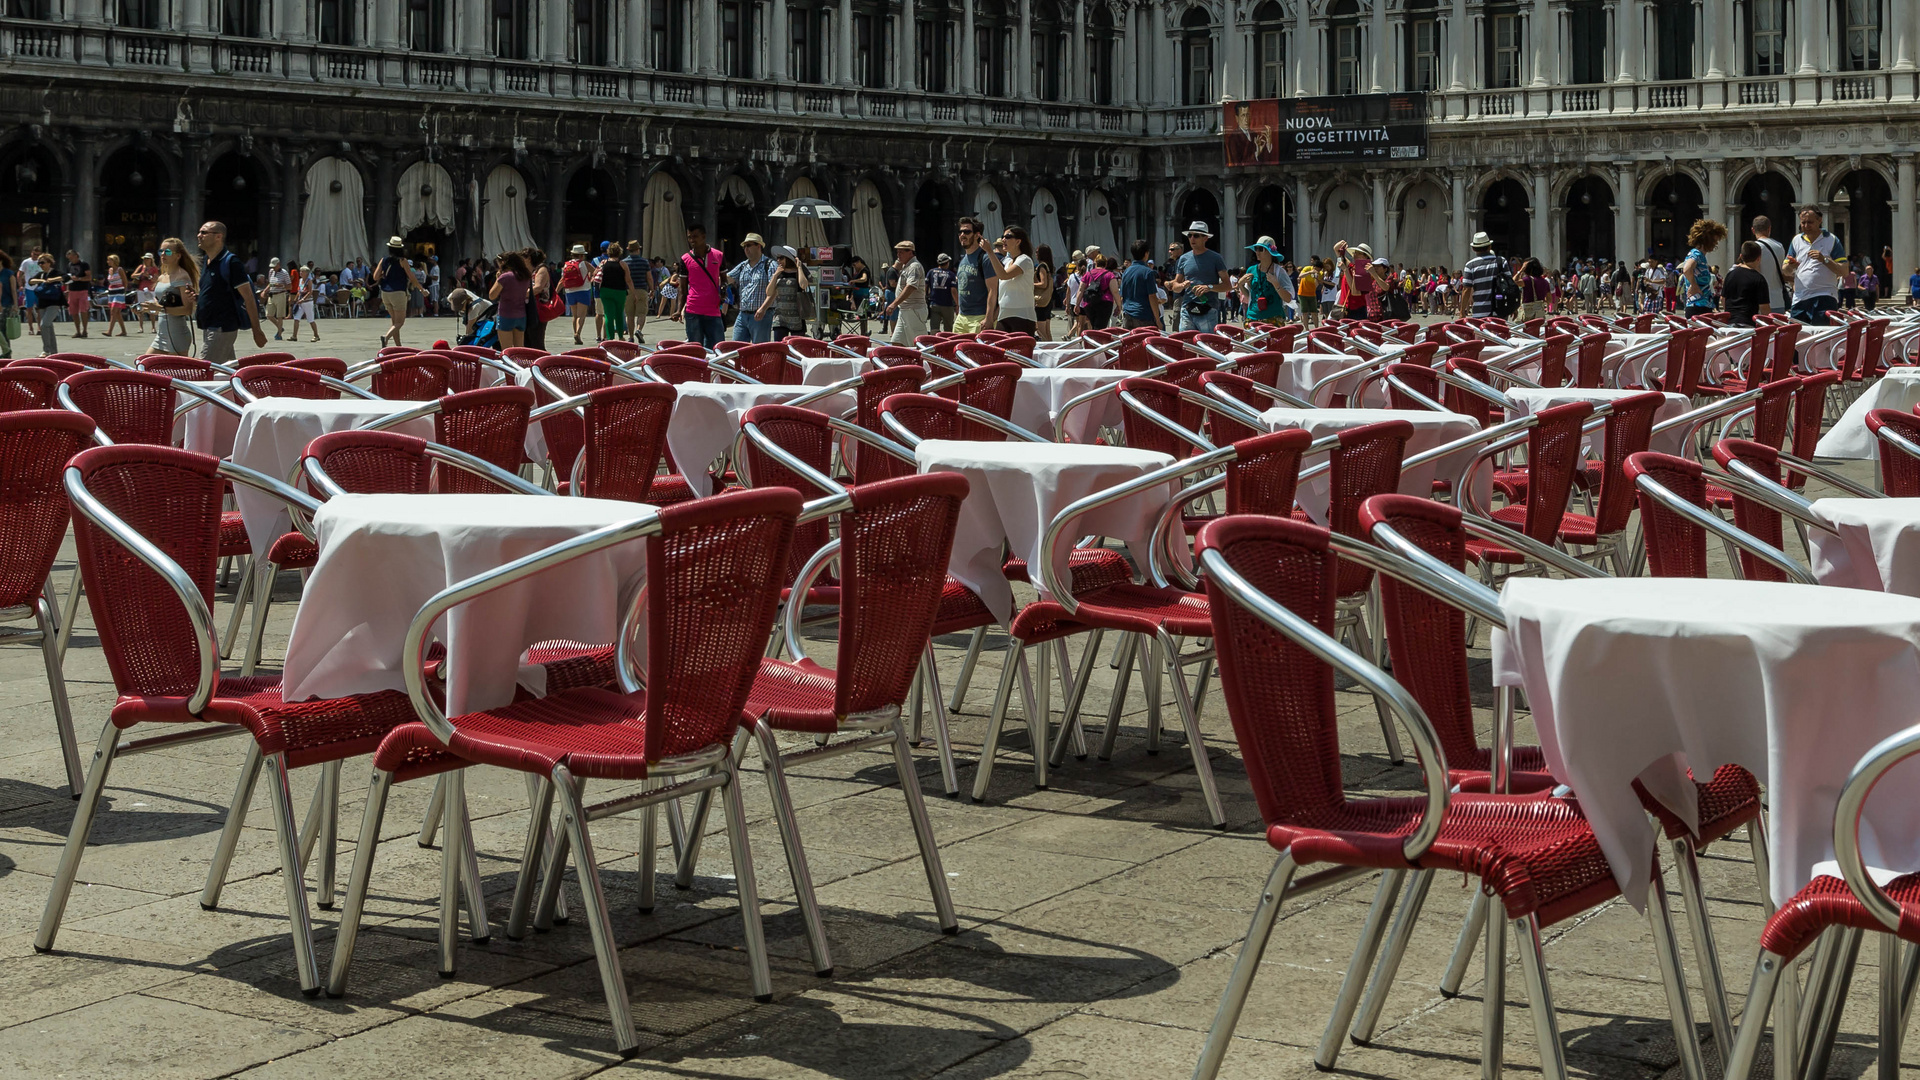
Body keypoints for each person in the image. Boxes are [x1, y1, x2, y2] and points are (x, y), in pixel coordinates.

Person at [193, 221, 265, 363]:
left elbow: (249, 298)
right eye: (200, 232)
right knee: (226, 371)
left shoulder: (231, 262)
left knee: (205, 370)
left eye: (204, 232)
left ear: (218, 236)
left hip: (221, 327)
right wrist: (198, 298)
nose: (199, 235)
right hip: (209, 326)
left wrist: (256, 330)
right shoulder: (207, 261)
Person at [1783, 206, 1845, 324]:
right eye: (1803, 223)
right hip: (1800, 299)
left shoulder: (1832, 240)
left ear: (1819, 220)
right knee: (1798, 337)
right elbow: (1785, 270)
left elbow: (1844, 271)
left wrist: (1824, 260)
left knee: (1822, 336)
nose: (1806, 226)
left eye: (1810, 222)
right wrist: (1791, 266)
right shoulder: (1796, 240)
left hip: (1825, 296)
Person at [1168, 221, 1229, 332]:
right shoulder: (1183, 259)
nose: (1192, 239)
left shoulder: (1216, 258)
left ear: (1205, 238)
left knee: (1207, 345)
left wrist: (1209, 287)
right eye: (1189, 235)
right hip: (1187, 308)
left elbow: (1227, 285)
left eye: (1196, 236)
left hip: (1209, 309)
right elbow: (1175, 285)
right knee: (1186, 345)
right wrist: (1181, 285)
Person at [675, 223, 728, 348]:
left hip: (713, 310)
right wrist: (678, 310)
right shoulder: (685, 259)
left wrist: (723, 291)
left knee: (718, 349)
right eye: (689, 237)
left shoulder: (718, 256)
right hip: (693, 310)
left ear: (703, 236)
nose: (692, 240)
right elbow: (682, 289)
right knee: (696, 349)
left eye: (695, 236)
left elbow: (724, 280)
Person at [986, 225, 1038, 334]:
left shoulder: (1025, 260)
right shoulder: (1007, 262)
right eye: (1003, 236)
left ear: (1018, 241)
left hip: (1022, 317)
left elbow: (1003, 275)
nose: (1003, 239)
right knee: (1001, 350)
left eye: (1008, 236)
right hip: (1004, 316)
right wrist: (993, 316)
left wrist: (990, 252)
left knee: (1020, 350)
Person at [726, 232, 778, 342]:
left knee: (759, 350)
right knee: (736, 348)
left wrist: (763, 309)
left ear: (758, 246)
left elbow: (774, 290)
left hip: (761, 315)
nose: (746, 249)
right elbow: (726, 279)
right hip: (742, 314)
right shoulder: (743, 265)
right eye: (744, 247)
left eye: (749, 245)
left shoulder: (769, 264)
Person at [374, 237, 423, 347]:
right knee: (400, 322)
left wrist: (384, 274)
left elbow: (375, 276)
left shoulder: (384, 260)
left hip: (385, 293)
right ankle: (386, 337)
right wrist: (422, 289)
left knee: (395, 322)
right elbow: (412, 277)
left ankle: (398, 346)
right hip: (398, 293)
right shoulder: (402, 261)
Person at [1236, 236, 1291, 325]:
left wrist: (1276, 284)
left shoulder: (1279, 271)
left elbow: (1288, 299)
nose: (1257, 252)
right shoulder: (1251, 270)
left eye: (1260, 249)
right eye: (1256, 249)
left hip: (1273, 318)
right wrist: (1240, 285)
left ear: (1269, 252)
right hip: (1252, 318)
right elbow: (1251, 296)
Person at [953, 217, 993, 334]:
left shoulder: (985, 259)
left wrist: (989, 318)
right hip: (962, 317)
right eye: (960, 232)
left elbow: (993, 290)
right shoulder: (963, 259)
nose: (962, 235)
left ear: (977, 235)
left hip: (979, 318)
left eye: (967, 232)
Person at [886, 240, 928, 345]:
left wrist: (894, 304)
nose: (898, 255)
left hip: (913, 310)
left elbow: (911, 286)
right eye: (897, 252)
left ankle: (923, 362)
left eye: (901, 252)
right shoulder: (907, 266)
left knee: (918, 344)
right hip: (904, 310)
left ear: (910, 252)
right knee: (897, 342)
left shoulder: (914, 266)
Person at [488, 248, 531, 349]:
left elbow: (492, 295)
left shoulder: (505, 277)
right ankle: (520, 365)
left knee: (507, 350)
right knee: (519, 349)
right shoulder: (525, 276)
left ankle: (509, 365)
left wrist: (497, 278)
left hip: (506, 314)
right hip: (521, 315)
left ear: (504, 263)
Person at [1721, 241, 1771, 326]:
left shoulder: (1730, 275)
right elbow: (1764, 307)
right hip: (1748, 324)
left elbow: (1723, 299)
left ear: (1741, 256)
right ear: (1759, 258)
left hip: (1730, 324)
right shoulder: (1759, 279)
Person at [770, 247, 813, 340]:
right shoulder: (778, 272)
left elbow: (803, 285)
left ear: (788, 258)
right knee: (779, 348)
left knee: (796, 349)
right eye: (777, 258)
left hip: (797, 317)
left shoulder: (800, 271)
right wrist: (775, 276)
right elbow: (769, 292)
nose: (778, 260)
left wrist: (799, 267)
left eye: (781, 258)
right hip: (780, 318)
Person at [1119, 239, 1162, 330]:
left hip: (1128, 315)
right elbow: (1152, 296)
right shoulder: (1148, 272)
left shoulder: (1126, 272)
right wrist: (1158, 320)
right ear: (1146, 254)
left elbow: (1122, 295)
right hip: (1144, 315)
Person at [1459, 231, 1504, 318]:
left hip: (1480, 311)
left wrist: (1462, 311)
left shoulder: (1470, 265)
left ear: (1473, 248)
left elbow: (1466, 290)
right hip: (1500, 309)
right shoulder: (1501, 261)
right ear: (1490, 246)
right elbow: (1510, 284)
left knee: (1482, 331)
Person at [598, 241, 633, 342]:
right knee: (619, 313)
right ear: (619, 252)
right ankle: (621, 336)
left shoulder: (603, 263)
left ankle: (610, 337)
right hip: (619, 292)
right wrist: (633, 293)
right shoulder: (623, 264)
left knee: (608, 314)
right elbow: (628, 280)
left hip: (605, 291)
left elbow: (595, 275)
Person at [1077, 247, 1118, 331]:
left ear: (1095, 263)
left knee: (1093, 325)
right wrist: (1119, 305)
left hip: (1089, 303)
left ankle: (1093, 341)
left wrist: (1077, 304)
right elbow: (1115, 291)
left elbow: (1081, 289)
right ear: (1105, 264)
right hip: (1105, 303)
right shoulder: (1110, 275)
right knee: (1101, 327)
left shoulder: (1088, 274)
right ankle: (1098, 342)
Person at [560, 243, 593, 343]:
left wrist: (556, 292)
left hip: (570, 291)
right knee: (581, 315)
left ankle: (575, 333)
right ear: (582, 255)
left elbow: (562, 279)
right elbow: (596, 271)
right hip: (583, 290)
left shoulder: (566, 265)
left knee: (574, 316)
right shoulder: (585, 263)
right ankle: (577, 333)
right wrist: (590, 278)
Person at [523, 247, 554, 351]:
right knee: (527, 342)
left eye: (523, 257)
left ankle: (543, 364)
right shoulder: (528, 270)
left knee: (536, 342)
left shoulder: (541, 269)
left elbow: (537, 288)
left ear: (529, 258)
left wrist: (519, 295)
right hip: (528, 308)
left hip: (538, 309)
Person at [622, 240, 650, 341]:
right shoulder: (644, 262)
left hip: (628, 291)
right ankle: (639, 330)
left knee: (629, 315)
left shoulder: (624, 262)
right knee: (642, 313)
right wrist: (652, 288)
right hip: (642, 289)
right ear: (638, 250)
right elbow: (649, 277)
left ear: (629, 250)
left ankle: (630, 337)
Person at [61, 249, 92, 338]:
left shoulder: (84, 264)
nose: (70, 260)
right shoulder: (69, 265)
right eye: (69, 258)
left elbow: (89, 277)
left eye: (71, 257)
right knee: (73, 311)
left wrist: (78, 279)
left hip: (82, 290)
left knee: (83, 310)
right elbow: (67, 278)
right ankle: (78, 331)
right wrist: (67, 289)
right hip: (72, 290)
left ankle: (85, 330)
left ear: (76, 256)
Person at [101, 253, 130, 337]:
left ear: (114, 261)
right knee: (117, 313)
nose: (108, 262)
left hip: (119, 292)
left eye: (109, 260)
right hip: (111, 292)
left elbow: (125, 281)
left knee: (113, 311)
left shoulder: (120, 269)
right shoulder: (110, 270)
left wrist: (123, 290)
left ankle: (109, 331)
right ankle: (123, 331)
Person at [1032, 245, 1057, 339]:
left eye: (1037, 252)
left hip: (1041, 302)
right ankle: (1052, 348)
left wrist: (1031, 284)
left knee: (1041, 331)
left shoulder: (1041, 266)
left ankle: (1046, 349)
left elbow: (1043, 284)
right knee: (1047, 331)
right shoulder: (1048, 266)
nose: (1036, 254)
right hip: (1047, 300)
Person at [290, 263, 320, 341]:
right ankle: (294, 336)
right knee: (296, 318)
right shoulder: (300, 280)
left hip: (307, 302)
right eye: (300, 271)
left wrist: (303, 299)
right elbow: (299, 291)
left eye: (302, 272)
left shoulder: (309, 281)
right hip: (300, 303)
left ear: (306, 273)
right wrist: (296, 299)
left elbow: (310, 292)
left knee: (310, 319)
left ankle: (316, 335)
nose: (300, 273)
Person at [927, 253, 957, 331]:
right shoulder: (951, 274)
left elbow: (925, 286)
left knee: (934, 328)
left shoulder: (931, 272)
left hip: (934, 304)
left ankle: (935, 341)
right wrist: (957, 304)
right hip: (947, 304)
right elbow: (953, 290)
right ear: (947, 263)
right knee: (948, 328)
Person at [263, 256, 291, 339]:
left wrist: (281, 285)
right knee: (269, 314)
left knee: (279, 315)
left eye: (274, 266)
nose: (273, 268)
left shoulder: (284, 273)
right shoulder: (271, 271)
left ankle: (279, 334)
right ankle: (280, 328)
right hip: (272, 294)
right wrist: (265, 291)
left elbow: (289, 286)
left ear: (279, 264)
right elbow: (270, 283)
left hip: (280, 294)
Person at [1296, 258, 1322, 327]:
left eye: (1319, 270)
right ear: (1313, 267)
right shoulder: (1307, 268)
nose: (1318, 271)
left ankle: (1316, 328)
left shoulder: (1320, 273)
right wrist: (1310, 272)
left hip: (1312, 294)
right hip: (1302, 293)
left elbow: (1316, 285)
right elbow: (1300, 276)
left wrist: (1316, 277)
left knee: (1314, 312)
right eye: (1316, 269)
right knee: (1305, 313)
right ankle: (1306, 329)